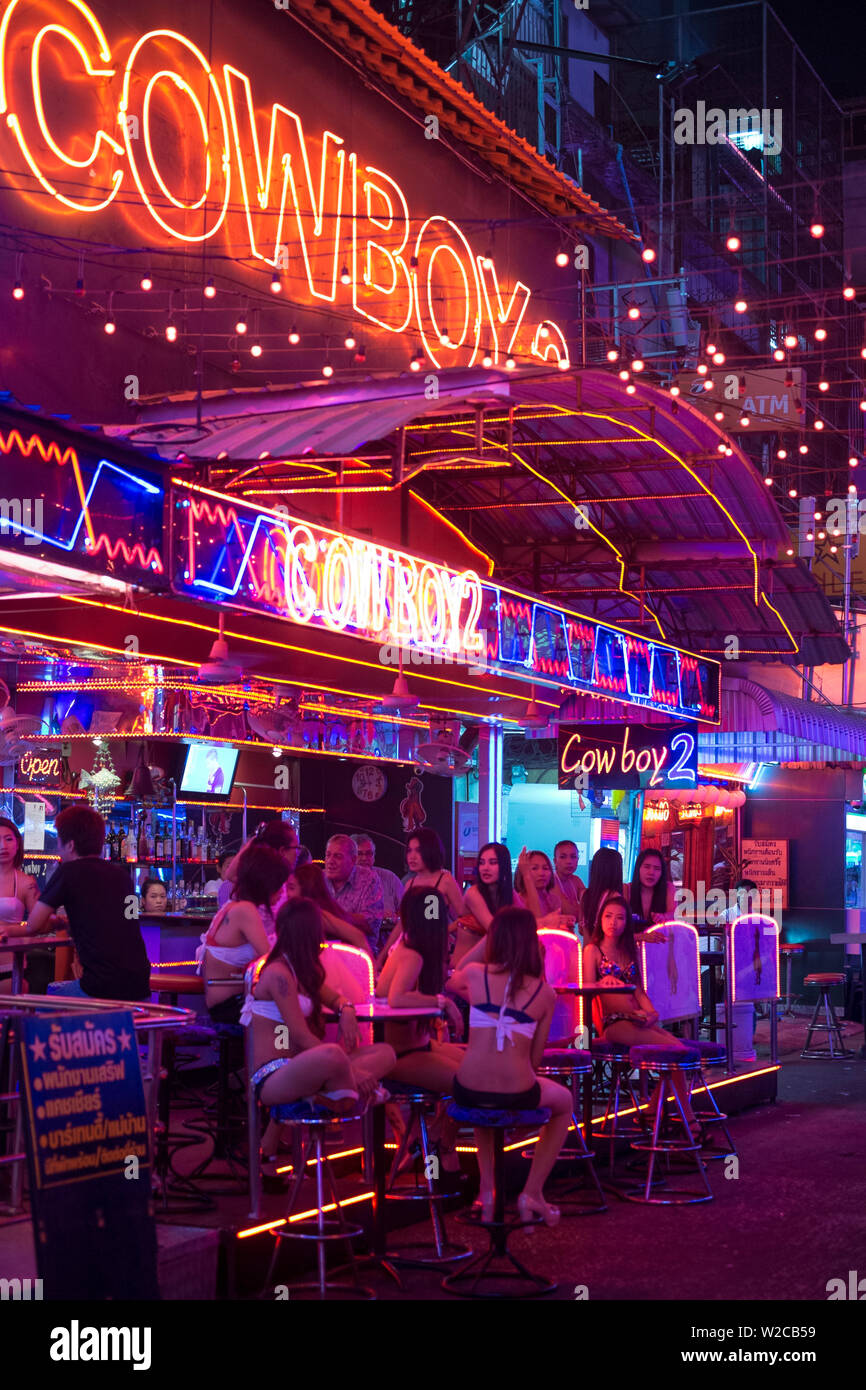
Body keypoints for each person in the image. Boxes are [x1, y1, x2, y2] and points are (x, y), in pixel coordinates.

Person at [448, 906, 571, 1226]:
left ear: (495, 941)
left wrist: (488, 938)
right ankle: (532, 1192)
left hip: (468, 1087)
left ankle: (487, 1190)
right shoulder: (544, 994)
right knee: (565, 1101)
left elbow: (455, 970)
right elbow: (534, 1060)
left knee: (483, 1102)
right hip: (517, 1089)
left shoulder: (476, 976)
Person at [241, 897, 395, 1150]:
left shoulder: (300, 969)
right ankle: (344, 1093)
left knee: (385, 1053)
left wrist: (346, 1009)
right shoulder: (278, 973)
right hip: (273, 1075)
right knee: (332, 1054)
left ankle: (331, 1094)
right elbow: (300, 1036)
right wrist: (353, 1070)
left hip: (302, 1067)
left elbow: (334, 998)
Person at [582, 893, 699, 1135]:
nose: (613, 922)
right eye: (608, 916)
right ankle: (689, 1120)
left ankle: (651, 1110)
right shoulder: (592, 950)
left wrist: (652, 1013)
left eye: (620, 918)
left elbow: (638, 989)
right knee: (677, 1053)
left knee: (678, 1051)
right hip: (612, 1023)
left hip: (637, 1018)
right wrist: (604, 983)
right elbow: (586, 991)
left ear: (627, 922)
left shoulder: (628, 950)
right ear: (600, 919)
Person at [17, 807, 150, 1000]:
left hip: (101, 987)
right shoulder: (122, 876)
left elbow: (34, 925)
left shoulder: (68, 872)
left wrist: (9, 930)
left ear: (70, 846)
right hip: (140, 984)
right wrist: (71, 924)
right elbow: (128, 921)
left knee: (41, 1010)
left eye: (59, 844)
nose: (58, 850)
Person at [376, 887, 465, 1170]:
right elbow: (395, 997)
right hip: (401, 1055)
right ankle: (439, 1143)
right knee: (470, 1082)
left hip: (416, 1046)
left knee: (480, 1068)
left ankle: (430, 1140)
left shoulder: (406, 949)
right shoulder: (411, 955)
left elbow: (383, 993)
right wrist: (442, 1004)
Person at [197, 844, 287, 1024]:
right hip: (230, 1007)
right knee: (295, 1012)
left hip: (228, 1002)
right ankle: (283, 1051)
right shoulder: (245, 911)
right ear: (266, 883)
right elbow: (269, 959)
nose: (283, 892)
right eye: (280, 885)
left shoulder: (235, 905)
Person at [377, 828, 465, 967]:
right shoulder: (409, 884)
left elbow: (464, 917)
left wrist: (443, 930)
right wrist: (382, 955)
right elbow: (402, 924)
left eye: (418, 851)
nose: (412, 856)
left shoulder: (445, 879)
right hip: (409, 949)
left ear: (430, 850)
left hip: (435, 952)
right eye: (409, 850)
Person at [455, 842, 524, 965]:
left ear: (504, 866)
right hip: (462, 971)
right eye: (482, 863)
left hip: (491, 969)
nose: (485, 868)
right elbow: (495, 929)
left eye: (493, 862)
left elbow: (527, 923)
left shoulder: (509, 893)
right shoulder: (473, 893)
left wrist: (527, 876)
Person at [286, 864, 370, 952]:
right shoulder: (307, 914)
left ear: (306, 889)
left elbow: (358, 937)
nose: (286, 893)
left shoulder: (318, 915)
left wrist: (366, 964)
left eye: (291, 888)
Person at [324, 834, 383, 949]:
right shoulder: (319, 878)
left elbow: (369, 923)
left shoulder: (368, 879)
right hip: (323, 953)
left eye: (338, 856)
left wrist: (327, 918)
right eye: (328, 855)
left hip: (357, 954)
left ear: (353, 860)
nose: (330, 861)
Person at [0, 817, 39, 991]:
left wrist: (11, 930)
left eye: (8, 839)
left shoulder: (26, 882)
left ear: (17, 843)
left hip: (10, 967)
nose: (2, 846)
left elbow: (39, 925)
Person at [352, 834, 403, 923]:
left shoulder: (389, 878)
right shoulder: (342, 882)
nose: (364, 858)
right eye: (359, 854)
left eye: (369, 853)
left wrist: (394, 918)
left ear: (374, 856)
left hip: (388, 934)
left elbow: (406, 910)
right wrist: (377, 915)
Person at [514, 849, 572, 927]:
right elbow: (537, 928)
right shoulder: (517, 900)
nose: (541, 873)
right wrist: (527, 878)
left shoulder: (554, 900)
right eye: (534, 868)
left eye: (545, 868)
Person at [627, 848, 675, 929]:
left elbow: (674, 914)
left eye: (657, 869)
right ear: (638, 868)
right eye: (647, 867)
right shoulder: (627, 889)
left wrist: (664, 917)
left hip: (659, 939)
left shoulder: (668, 888)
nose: (651, 872)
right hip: (632, 940)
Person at [553, 839, 585, 918]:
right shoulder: (551, 881)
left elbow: (589, 907)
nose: (569, 861)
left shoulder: (576, 880)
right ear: (555, 861)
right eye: (563, 857)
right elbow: (570, 914)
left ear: (578, 859)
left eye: (573, 857)